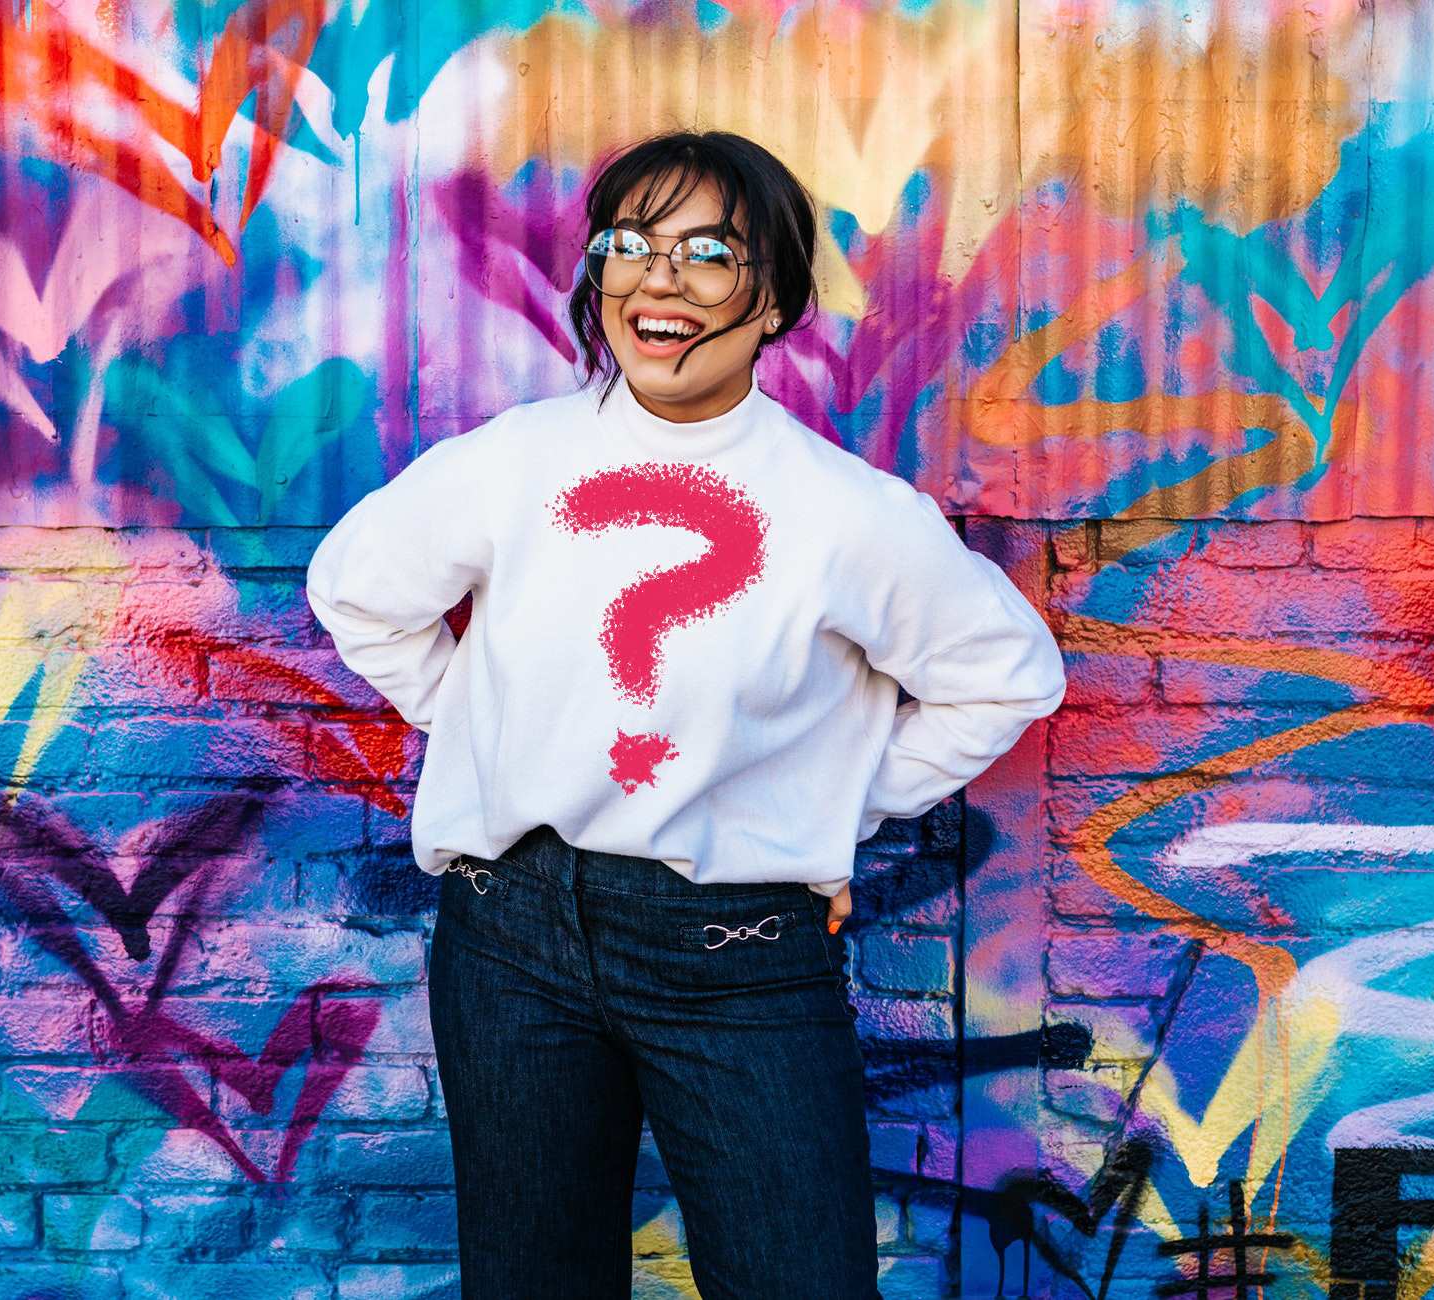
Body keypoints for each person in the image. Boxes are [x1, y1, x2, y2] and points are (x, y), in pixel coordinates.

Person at [305, 129, 1065, 1300]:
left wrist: (840, 805)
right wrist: (480, 726)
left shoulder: (846, 512)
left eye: (709, 253)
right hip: (510, 942)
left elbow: (1007, 674)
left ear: (774, 302)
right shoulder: (515, 462)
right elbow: (360, 591)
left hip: (738, 956)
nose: (659, 279)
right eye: (630, 246)